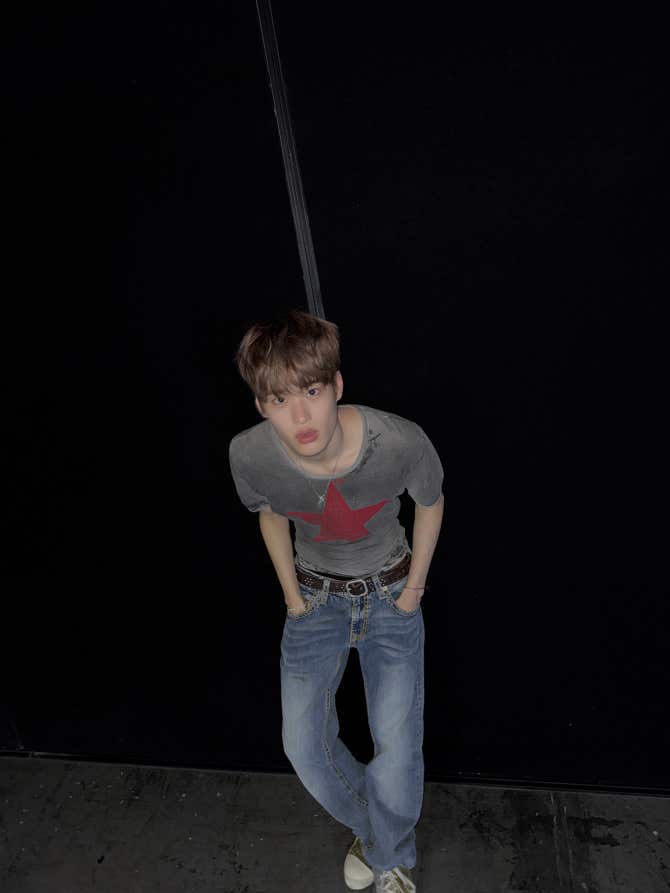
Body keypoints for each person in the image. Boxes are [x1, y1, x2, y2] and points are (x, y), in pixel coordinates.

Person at [228, 309, 445, 893]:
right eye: (279, 399)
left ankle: (390, 859)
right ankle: (379, 837)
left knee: (397, 747)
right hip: (315, 600)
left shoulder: (397, 440)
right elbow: (269, 513)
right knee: (303, 745)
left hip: (391, 594)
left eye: (311, 391)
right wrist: (292, 599)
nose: (300, 417)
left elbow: (430, 502)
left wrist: (413, 592)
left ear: (337, 385)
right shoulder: (249, 454)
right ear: (261, 405)